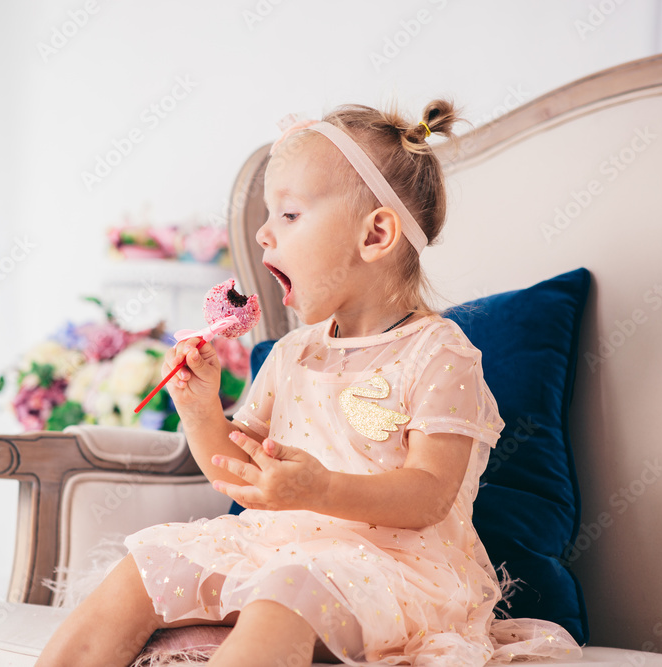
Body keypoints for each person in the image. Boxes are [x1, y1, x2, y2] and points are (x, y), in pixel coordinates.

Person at [37, 101, 583, 666]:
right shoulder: (296, 351)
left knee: (286, 595)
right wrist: (202, 414)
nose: (262, 233)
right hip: (277, 547)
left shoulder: (440, 356)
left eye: (290, 215)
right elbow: (241, 470)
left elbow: (429, 493)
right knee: (143, 570)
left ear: (375, 234)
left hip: (391, 570)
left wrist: (320, 490)